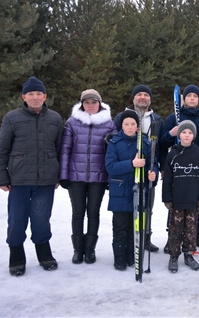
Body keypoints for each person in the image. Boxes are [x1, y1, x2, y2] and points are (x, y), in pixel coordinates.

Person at [0, 76, 63, 276]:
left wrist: (57, 174)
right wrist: (2, 177)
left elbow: (59, 149)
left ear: (45, 96)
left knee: (42, 218)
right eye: (31, 94)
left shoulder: (55, 119)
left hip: (46, 180)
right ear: (24, 97)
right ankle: (16, 255)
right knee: (17, 219)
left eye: (38, 94)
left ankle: (44, 253)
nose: (35, 97)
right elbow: (2, 149)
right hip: (19, 179)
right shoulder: (12, 118)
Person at [59, 89, 117, 264]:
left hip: (98, 178)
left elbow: (112, 152)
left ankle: (90, 249)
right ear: (82, 105)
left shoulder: (109, 124)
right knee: (78, 213)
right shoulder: (72, 122)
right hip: (76, 177)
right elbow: (65, 150)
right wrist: (63, 174)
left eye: (94, 102)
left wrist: (109, 177)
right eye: (87, 103)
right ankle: (78, 249)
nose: (90, 106)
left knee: (93, 213)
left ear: (99, 104)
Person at [105, 110, 158, 271]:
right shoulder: (114, 143)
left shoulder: (145, 143)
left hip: (139, 191)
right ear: (121, 126)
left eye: (133, 124)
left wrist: (152, 173)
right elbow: (110, 167)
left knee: (135, 227)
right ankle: (119, 258)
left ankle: (132, 256)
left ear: (137, 126)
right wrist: (131, 164)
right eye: (126, 124)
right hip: (120, 192)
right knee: (120, 227)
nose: (129, 127)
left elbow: (152, 163)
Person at [160, 84, 199, 248]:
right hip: (178, 165)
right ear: (184, 99)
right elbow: (162, 142)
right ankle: (173, 237)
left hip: (195, 166)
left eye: (195, 96)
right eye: (189, 96)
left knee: (196, 202)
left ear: (198, 100)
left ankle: (195, 234)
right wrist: (170, 134)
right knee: (176, 203)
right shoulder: (173, 117)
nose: (192, 98)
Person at [114, 84, 164, 252]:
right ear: (133, 98)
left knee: (146, 207)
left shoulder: (157, 120)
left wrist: (158, 169)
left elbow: (162, 146)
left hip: (148, 169)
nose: (142, 97)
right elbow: (114, 139)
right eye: (139, 94)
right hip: (127, 170)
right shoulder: (121, 117)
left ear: (150, 99)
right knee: (127, 208)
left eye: (146, 95)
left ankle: (145, 238)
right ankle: (129, 240)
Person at [163, 121, 199, 273]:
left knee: (191, 228)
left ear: (194, 135)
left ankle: (189, 254)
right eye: (184, 132)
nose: (187, 135)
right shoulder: (173, 154)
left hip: (193, 200)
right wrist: (167, 198)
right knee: (175, 229)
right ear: (179, 135)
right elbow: (167, 179)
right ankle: (173, 255)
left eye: (190, 133)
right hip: (176, 200)